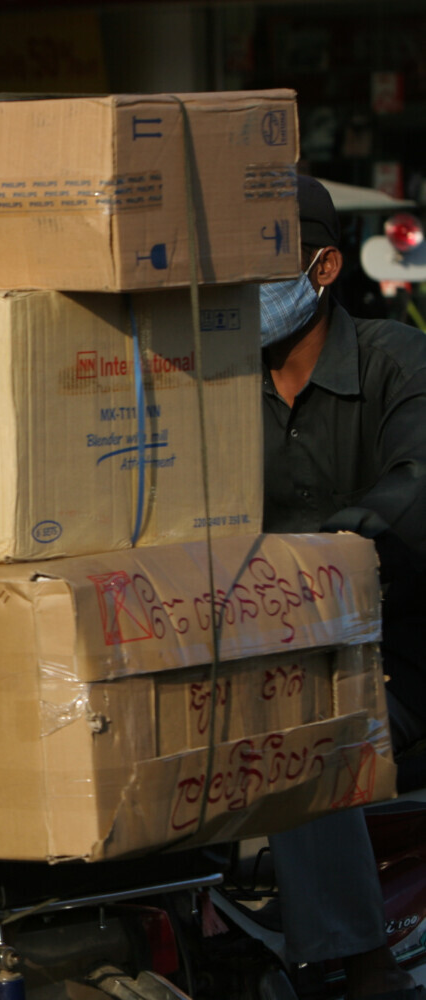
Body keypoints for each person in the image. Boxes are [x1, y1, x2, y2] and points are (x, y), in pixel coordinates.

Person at [262, 174, 426, 1000]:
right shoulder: (213, 381)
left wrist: (315, 562)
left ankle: (361, 963)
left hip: (396, 661)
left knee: (305, 719)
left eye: (269, 261)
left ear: (323, 270)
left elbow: (416, 486)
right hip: (252, 647)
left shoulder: (399, 362)